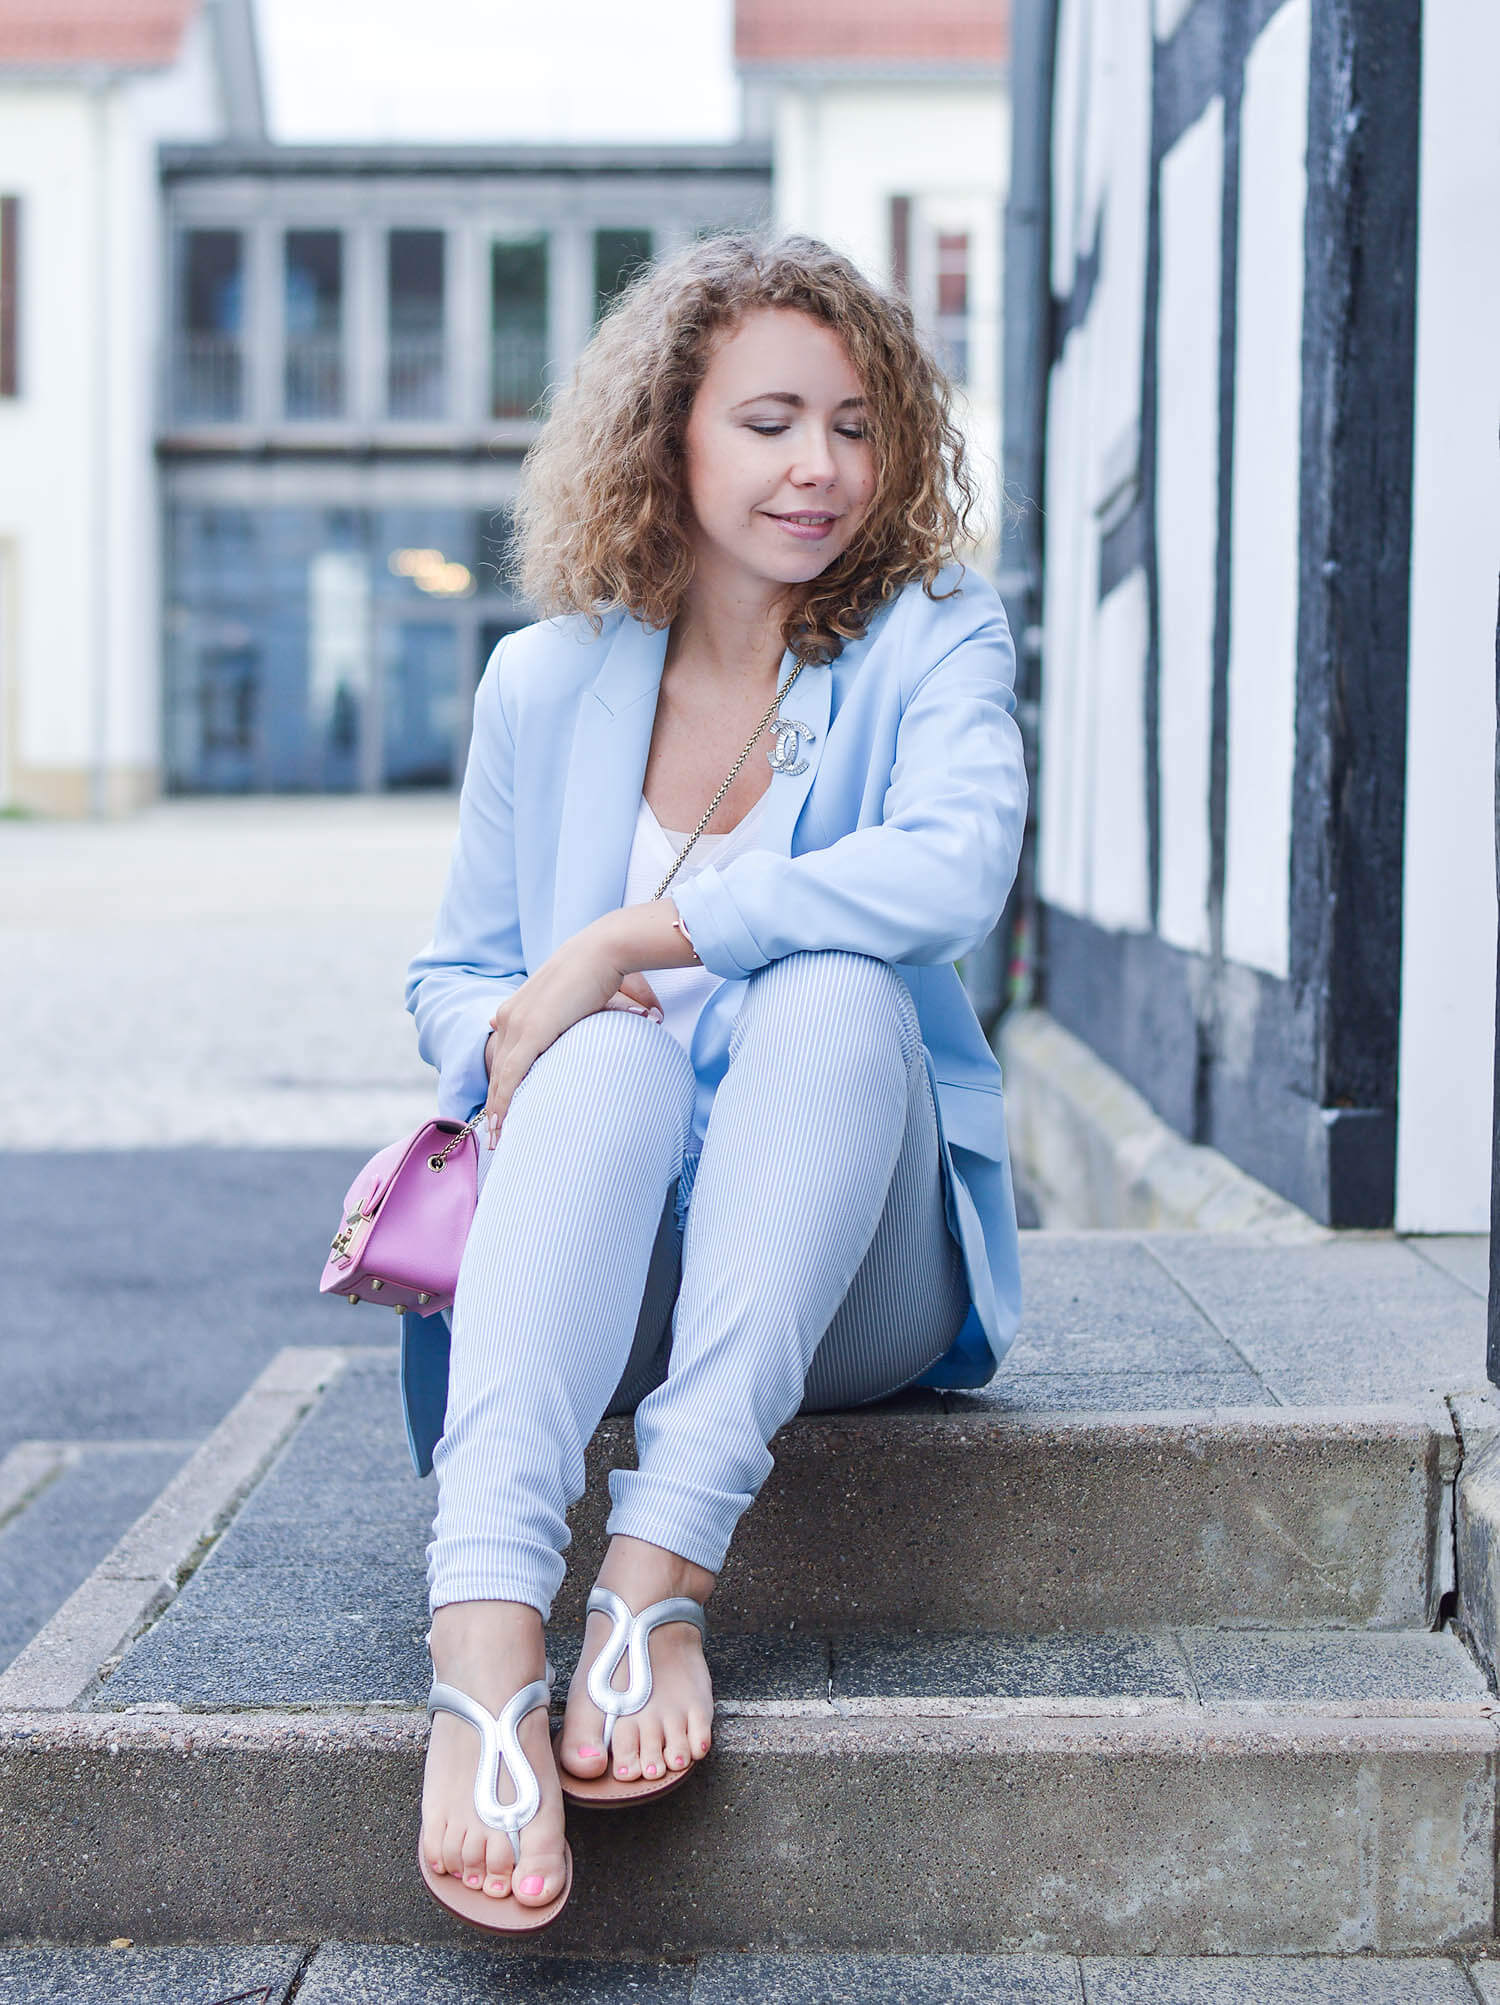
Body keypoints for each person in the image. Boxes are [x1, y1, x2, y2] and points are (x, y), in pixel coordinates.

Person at [402, 230, 1027, 1933]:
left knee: (829, 986)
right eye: (767, 420)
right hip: (614, 1251)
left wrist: (645, 932)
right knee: (595, 1058)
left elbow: (955, 868)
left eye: (853, 422)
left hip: (857, 1269)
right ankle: (487, 1634)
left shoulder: (931, 636)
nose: (819, 465)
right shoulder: (543, 678)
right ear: (670, 433)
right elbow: (454, 976)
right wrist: (540, 1020)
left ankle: (656, 1574)